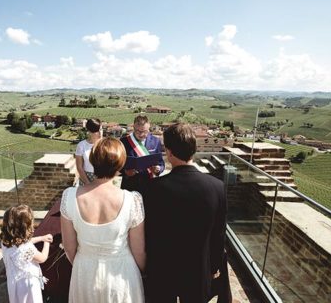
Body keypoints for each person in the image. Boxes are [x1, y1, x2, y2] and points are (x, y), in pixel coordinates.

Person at [143, 123, 227, 303]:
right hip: (198, 269)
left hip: (163, 269)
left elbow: (149, 233)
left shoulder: (154, 189)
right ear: (194, 150)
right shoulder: (217, 187)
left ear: (169, 152)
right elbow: (218, 234)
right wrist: (214, 267)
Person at [61, 137, 146, 303]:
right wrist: (142, 271)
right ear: (120, 165)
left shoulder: (69, 196)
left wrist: (84, 262)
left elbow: (69, 248)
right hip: (121, 274)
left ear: (92, 160)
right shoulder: (132, 200)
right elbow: (139, 251)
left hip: (84, 273)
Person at [1, 205, 54, 303]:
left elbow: (26, 242)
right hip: (27, 286)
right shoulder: (26, 249)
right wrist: (47, 243)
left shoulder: (6, 241)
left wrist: (41, 238)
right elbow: (42, 258)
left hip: (14, 282)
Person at [120, 115, 165, 194]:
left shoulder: (156, 141)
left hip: (150, 186)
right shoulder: (123, 142)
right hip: (130, 187)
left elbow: (161, 163)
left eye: (144, 131)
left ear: (149, 128)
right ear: (133, 127)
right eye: (138, 131)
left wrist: (158, 169)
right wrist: (125, 172)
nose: (141, 134)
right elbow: (117, 164)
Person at [75, 118, 102, 185]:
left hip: (102, 179)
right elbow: (79, 167)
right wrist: (88, 183)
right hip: (86, 178)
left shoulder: (105, 145)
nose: (100, 132)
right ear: (89, 131)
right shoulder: (81, 145)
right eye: (97, 130)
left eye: (101, 129)